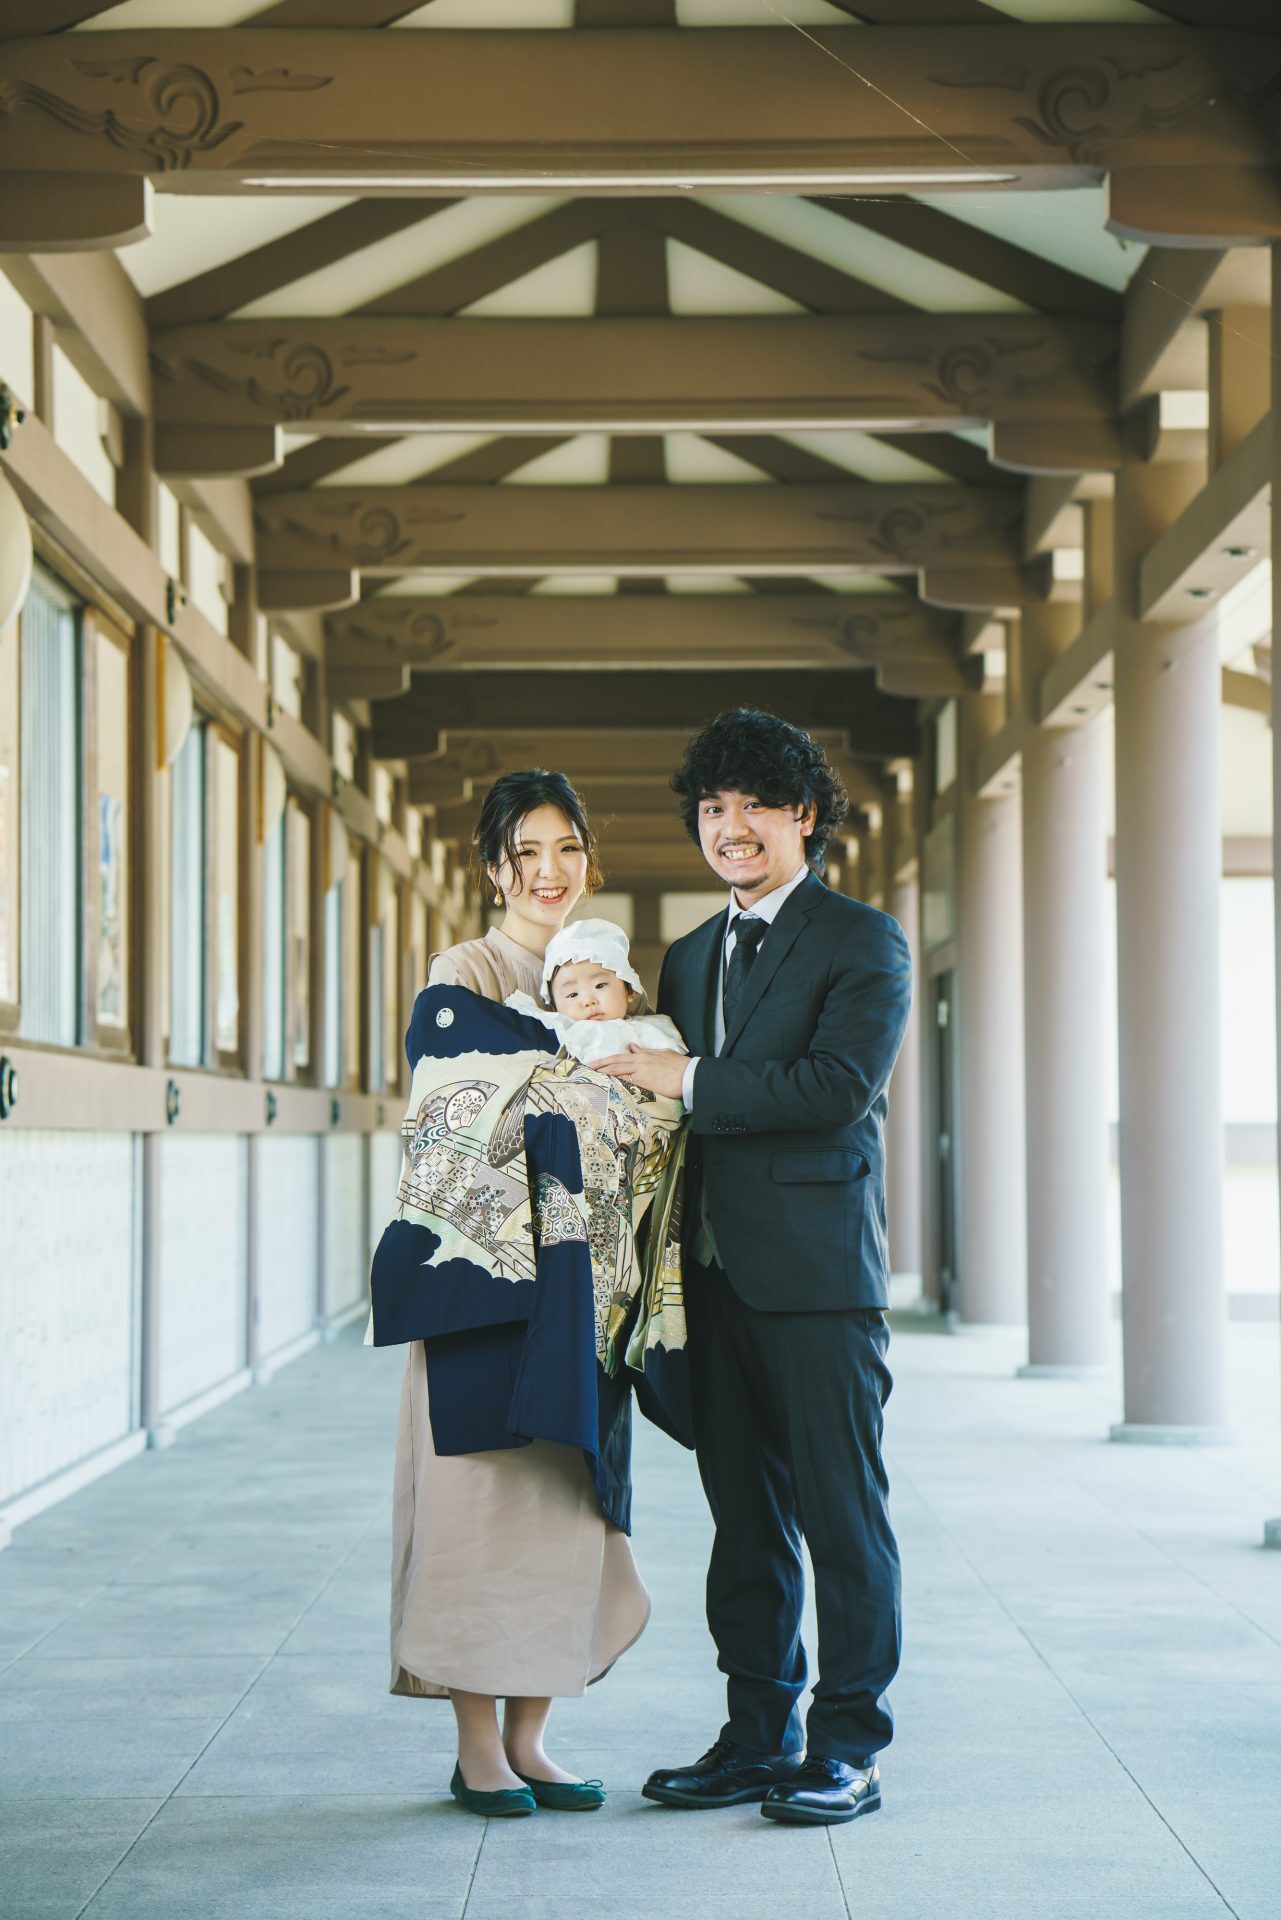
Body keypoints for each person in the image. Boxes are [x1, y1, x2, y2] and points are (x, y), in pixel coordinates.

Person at [595, 708, 912, 1827]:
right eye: (711, 809)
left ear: (804, 815)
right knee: (743, 1520)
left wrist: (683, 1083)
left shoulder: (863, 939)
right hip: (709, 1281)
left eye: (752, 807)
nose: (729, 829)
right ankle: (756, 1734)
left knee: (843, 1517)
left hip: (820, 1280)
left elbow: (835, 1089)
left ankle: (848, 1748)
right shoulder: (687, 955)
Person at [388, 769, 650, 1820]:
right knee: (477, 1509)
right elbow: (452, 1091)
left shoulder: (607, 972)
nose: (548, 872)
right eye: (525, 852)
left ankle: (535, 1735)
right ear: (493, 865)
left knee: (565, 1505)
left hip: (582, 1281)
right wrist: (577, 1061)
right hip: (481, 1278)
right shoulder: (466, 968)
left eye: (567, 849)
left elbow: (642, 1107)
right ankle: (475, 1745)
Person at [505, 917, 686, 1064]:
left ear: (630, 991)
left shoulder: (650, 1031)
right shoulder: (562, 1032)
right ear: (555, 1007)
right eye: (572, 994)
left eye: (600, 986)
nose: (588, 1000)